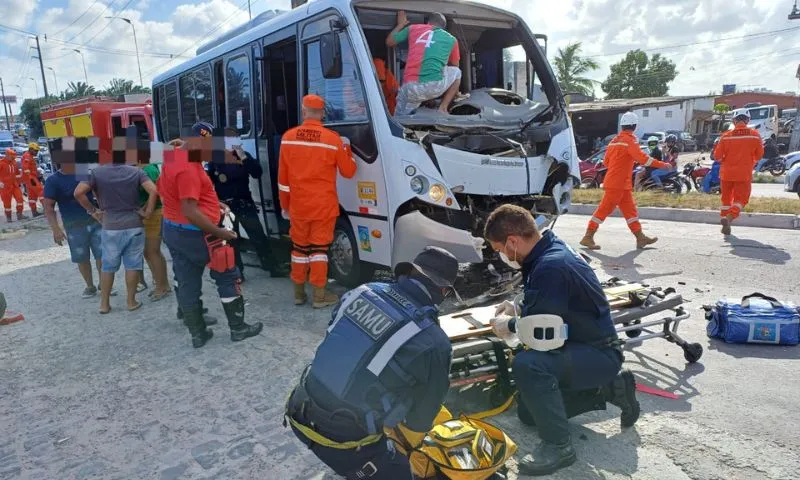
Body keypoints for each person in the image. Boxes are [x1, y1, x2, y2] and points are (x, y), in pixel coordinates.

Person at [485, 204, 640, 476]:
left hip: (597, 354)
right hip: (582, 346)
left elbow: (539, 334)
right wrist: (517, 305)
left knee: (528, 365)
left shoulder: (550, 267)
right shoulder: (548, 249)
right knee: (528, 414)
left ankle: (559, 447)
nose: (502, 256)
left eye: (500, 250)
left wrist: (507, 324)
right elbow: (549, 301)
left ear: (512, 241)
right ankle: (610, 388)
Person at [285, 246, 458, 479]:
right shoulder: (435, 342)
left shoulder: (363, 290)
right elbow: (423, 415)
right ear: (444, 291)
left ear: (409, 272)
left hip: (299, 407)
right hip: (343, 442)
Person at [158, 136, 263, 348]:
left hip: (173, 230)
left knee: (187, 280)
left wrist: (215, 204)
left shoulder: (173, 157)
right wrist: (220, 232)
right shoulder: (188, 168)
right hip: (199, 235)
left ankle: (198, 334)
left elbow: (179, 196)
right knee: (227, 277)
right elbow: (189, 210)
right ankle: (238, 328)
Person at [278, 95, 357, 308]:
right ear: (322, 114)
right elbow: (349, 172)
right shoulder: (332, 139)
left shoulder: (288, 137)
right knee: (319, 250)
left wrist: (285, 205)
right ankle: (320, 296)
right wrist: (346, 150)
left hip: (298, 206)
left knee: (300, 249)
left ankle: (298, 294)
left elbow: (283, 180)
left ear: (304, 111)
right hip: (323, 206)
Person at [74, 159, 159, 314]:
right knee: (133, 265)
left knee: (108, 266)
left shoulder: (96, 173)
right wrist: (147, 212)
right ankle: (131, 302)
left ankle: (104, 304)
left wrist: (93, 211)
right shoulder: (136, 172)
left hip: (110, 226)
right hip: (134, 223)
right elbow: (153, 190)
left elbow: (78, 192)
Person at [206, 125, 288, 281]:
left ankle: (272, 266)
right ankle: (238, 273)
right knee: (232, 241)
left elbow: (257, 173)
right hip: (226, 206)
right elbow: (208, 183)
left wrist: (243, 156)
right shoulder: (214, 159)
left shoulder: (242, 156)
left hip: (244, 203)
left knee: (258, 236)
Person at [580, 112, 670, 250]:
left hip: (619, 183)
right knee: (603, 210)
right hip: (618, 184)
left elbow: (606, 162)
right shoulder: (630, 140)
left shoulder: (614, 141)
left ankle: (640, 238)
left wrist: (621, 166)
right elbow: (643, 159)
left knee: (630, 211)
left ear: (622, 125)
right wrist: (662, 164)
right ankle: (588, 237)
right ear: (634, 126)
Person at [43, 160, 106, 298]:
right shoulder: (53, 181)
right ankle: (90, 286)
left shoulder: (84, 173)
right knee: (81, 257)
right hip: (74, 226)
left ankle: (104, 284)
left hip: (95, 222)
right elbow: (48, 207)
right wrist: (56, 229)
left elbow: (97, 192)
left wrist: (102, 210)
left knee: (102, 254)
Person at [386, 11, 461, 114]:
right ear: (443, 27)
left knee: (400, 118)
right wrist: (455, 92)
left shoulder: (413, 28)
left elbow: (389, 42)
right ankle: (443, 108)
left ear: (428, 22)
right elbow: (455, 65)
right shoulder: (451, 39)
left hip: (410, 88)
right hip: (434, 86)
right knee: (457, 72)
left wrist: (401, 24)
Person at [713, 110, 763, 235]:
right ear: (747, 120)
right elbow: (759, 156)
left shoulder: (725, 136)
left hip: (726, 173)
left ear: (734, 121)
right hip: (743, 173)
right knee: (741, 199)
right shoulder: (755, 135)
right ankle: (729, 218)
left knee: (726, 200)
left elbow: (717, 156)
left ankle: (726, 224)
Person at [138, 157, 172, 301]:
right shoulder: (147, 168)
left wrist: (147, 211)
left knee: (152, 252)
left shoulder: (148, 170)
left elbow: (156, 192)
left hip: (155, 215)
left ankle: (162, 287)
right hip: (153, 215)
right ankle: (161, 283)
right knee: (151, 252)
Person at [0, 148, 26, 222]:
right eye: (12, 156)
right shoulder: (1, 163)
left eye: (14, 156)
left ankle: (19, 215)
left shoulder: (14, 162)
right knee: (7, 203)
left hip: (14, 185)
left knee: (20, 199)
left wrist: (20, 181)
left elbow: (17, 173)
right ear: (7, 155)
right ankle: (9, 218)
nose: (13, 158)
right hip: (5, 186)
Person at [20, 142, 44, 217]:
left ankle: (34, 212)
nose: (37, 152)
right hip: (31, 178)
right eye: (35, 151)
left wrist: (37, 174)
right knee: (41, 191)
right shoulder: (27, 156)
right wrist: (31, 178)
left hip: (29, 179)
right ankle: (47, 209)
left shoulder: (29, 156)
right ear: (30, 149)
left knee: (32, 196)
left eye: (37, 151)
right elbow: (25, 168)